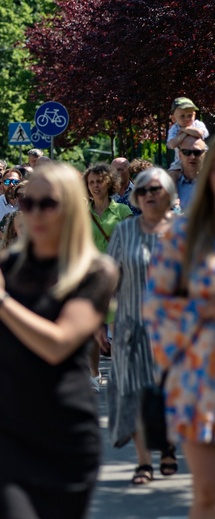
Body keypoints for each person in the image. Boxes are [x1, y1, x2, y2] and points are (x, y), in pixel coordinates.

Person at [0, 163, 118, 518]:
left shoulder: (94, 271)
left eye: (48, 204)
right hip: (7, 428)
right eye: (28, 203)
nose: (36, 213)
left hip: (67, 431)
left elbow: (58, 344)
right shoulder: (4, 269)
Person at [144, 149, 215, 518]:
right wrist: (203, 308)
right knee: (208, 493)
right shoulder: (183, 236)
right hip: (199, 380)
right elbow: (155, 308)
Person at [106, 168, 177, 485]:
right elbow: (109, 279)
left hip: (173, 331)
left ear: (169, 195)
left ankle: (168, 446)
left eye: (156, 189)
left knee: (169, 394)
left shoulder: (182, 231)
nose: (149, 195)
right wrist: (101, 321)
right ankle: (143, 462)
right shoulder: (124, 231)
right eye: (143, 190)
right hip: (130, 327)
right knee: (133, 393)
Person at [85, 163, 133, 391]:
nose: (96, 186)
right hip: (91, 278)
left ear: (109, 183)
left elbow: (131, 243)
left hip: (119, 276)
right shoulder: (82, 214)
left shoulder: (123, 211)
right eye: (91, 182)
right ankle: (94, 374)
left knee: (119, 330)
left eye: (100, 181)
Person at [166, 96, 209, 171]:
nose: (187, 119)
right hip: (180, 162)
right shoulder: (174, 129)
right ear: (174, 118)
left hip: (200, 159)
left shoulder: (197, 124)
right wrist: (185, 134)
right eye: (182, 116)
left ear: (194, 115)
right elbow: (171, 145)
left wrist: (184, 130)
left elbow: (201, 133)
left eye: (190, 115)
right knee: (172, 174)